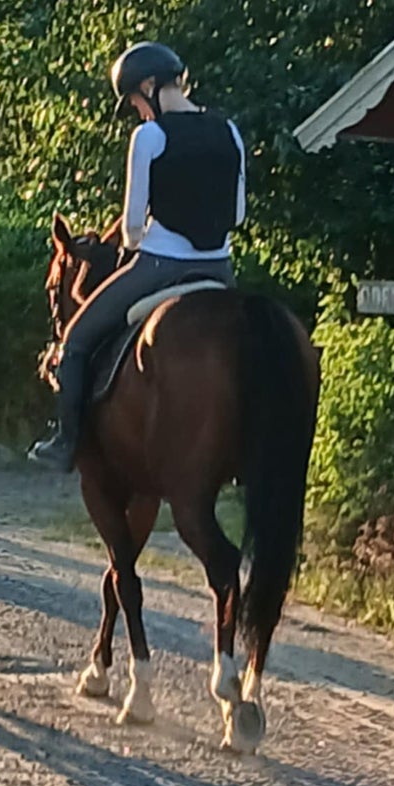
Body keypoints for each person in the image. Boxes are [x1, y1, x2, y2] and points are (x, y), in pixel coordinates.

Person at [28, 41, 246, 472]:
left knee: (74, 340)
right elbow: (237, 214)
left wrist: (137, 246)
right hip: (220, 269)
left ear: (148, 85)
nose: (138, 111)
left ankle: (65, 443)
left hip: (159, 267)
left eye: (133, 101)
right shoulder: (230, 130)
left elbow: (130, 227)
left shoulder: (150, 136)